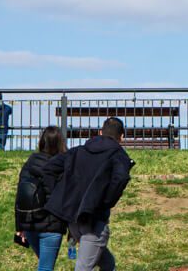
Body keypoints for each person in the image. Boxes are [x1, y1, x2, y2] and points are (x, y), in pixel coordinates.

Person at [44, 116, 134, 271]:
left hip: (74, 222)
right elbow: (121, 178)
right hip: (94, 223)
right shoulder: (118, 155)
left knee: (107, 263)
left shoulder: (78, 151)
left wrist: (61, 194)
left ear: (100, 132)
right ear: (122, 137)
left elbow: (49, 168)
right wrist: (105, 201)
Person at [15, 126, 68, 271]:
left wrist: (19, 226)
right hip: (52, 226)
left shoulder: (30, 163)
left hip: (30, 224)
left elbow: (20, 195)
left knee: (44, 266)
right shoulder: (63, 165)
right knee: (45, 267)